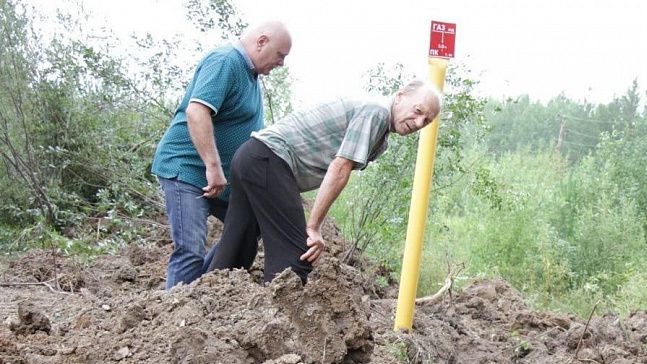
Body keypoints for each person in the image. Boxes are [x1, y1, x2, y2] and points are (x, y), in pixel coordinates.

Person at [208, 81, 442, 283]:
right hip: (268, 159)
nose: (419, 122)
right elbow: (340, 167)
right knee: (297, 257)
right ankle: (274, 326)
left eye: (427, 121)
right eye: (418, 110)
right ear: (400, 96)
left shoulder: (380, 132)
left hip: (253, 156)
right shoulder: (377, 112)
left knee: (236, 249)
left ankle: (205, 309)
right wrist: (313, 226)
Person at [151, 21, 292, 289]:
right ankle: (176, 314)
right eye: (280, 55)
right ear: (261, 42)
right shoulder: (226, 61)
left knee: (252, 222)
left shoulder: (251, 77)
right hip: (189, 171)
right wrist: (213, 166)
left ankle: (206, 288)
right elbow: (197, 111)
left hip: (220, 182)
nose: (281, 64)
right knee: (190, 250)